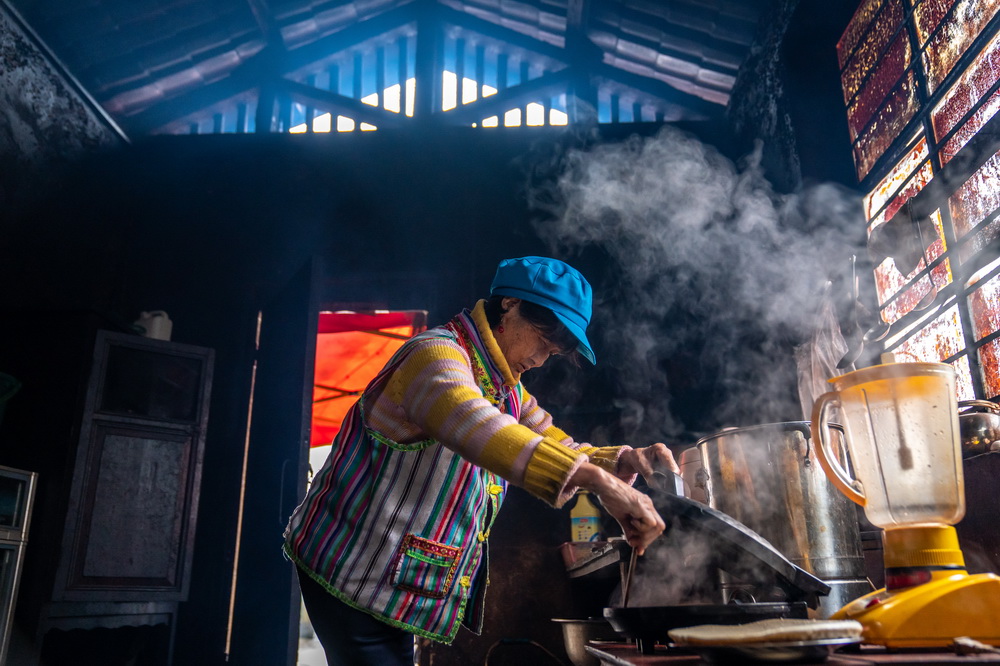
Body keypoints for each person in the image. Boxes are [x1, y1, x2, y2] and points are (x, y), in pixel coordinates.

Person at [284, 256, 678, 665]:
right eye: (543, 340)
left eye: (554, 352)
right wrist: (599, 483)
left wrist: (623, 461)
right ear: (509, 304)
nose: (542, 359)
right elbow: (477, 424)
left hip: (387, 579)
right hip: (352, 565)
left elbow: (554, 442)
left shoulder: (507, 388)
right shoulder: (434, 354)